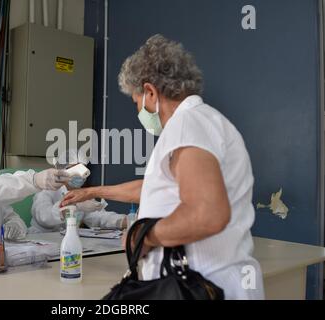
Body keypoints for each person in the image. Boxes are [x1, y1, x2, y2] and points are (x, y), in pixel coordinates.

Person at [62, 35, 264, 299]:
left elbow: (207, 213)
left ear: (151, 92)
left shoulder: (186, 124)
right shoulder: (207, 122)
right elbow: (156, 189)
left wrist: (142, 237)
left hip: (199, 288)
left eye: (137, 102)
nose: (139, 113)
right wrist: (92, 192)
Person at [29, 149, 127, 233]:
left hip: (66, 240)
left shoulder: (82, 194)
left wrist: (125, 221)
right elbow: (44, 217)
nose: (78, 175)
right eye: (74, 169)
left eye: (82, 169)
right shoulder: (46, 190)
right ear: (62, 170)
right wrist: (73, 206)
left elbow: (98, 217)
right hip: (40, 239)